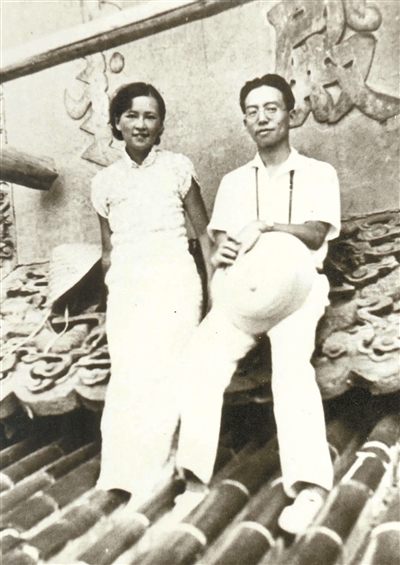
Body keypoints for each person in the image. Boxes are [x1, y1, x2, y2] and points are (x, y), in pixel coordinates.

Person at [173, 74, 341, 534]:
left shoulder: (318, 173)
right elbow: (220, 245)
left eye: (271, 108)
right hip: (243, 293)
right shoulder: (233, 182)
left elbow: (316, 234)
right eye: (252, 111)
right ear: (245, 121)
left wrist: (265, 226)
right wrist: (222, 252)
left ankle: (309, 487)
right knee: (199, 360)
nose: (262, 118)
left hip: (298, 290)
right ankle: (193, 483)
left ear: (291, 113)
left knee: (292, 369)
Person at [91, 82, 212, 506]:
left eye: (150, 116)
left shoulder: (178, 168)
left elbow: (204, 235)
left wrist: (214, 290)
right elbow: (108, 251)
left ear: (160, 125)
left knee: (170, 375)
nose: (141, 124)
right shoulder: (104, 182)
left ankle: (159, 480)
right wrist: (110, 302)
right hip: (127, 287)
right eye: (132, 115)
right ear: (117, 122)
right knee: (129, 376)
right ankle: (121, 477)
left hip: (175, 282)